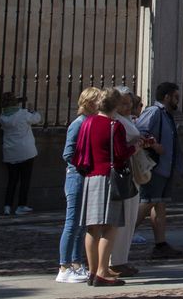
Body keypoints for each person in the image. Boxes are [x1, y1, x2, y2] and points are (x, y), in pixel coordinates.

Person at [76, 85, 132, 286]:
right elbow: (120, 154)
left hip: (91, 177)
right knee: (110, 226)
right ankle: (102, 271)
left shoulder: (87, 123)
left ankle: (92, 272)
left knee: (92, 228)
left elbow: (79, 151)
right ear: (115, 105)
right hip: (109, 177)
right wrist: (135, 147)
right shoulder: (114, 125)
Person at [135, 81, 183, 259]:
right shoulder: (154, 112)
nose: (178, 100)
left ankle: (160, 244)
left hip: (165, 167)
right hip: (154, 167)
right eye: (176, 97)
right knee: (147, 202)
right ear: (167, 97)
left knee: (160, 203)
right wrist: (155, 145)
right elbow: (140, 132)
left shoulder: (167, 115)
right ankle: (122, 236)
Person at [108, 88, 153, 276]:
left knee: (129, 218)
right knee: (122, 218)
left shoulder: (126, 120)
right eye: (123, 104)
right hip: (123, 173)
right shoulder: (116, 121)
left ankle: (121, 259)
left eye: (129, 103)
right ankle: (114, 261)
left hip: (131, 172)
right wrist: (137, 145)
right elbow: (119, 149)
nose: (128, 107)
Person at [56, 88, 99, 284]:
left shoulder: (89, 122)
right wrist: (84, 164)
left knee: (81, 224)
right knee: (72, 222)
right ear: (89, 103)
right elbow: (68, 153)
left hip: (85, 175)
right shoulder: (78, 123)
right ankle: (64, 266)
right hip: (76, 176)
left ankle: (76, 262)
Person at [0, 90, 41, 216]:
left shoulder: (2, 118)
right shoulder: (23, 113)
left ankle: (7, 206)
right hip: (26, 151)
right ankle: (21, 205)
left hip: (10, 152)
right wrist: (32, 110)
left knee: (12, 180)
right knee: (25, 180)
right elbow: (37, 119)